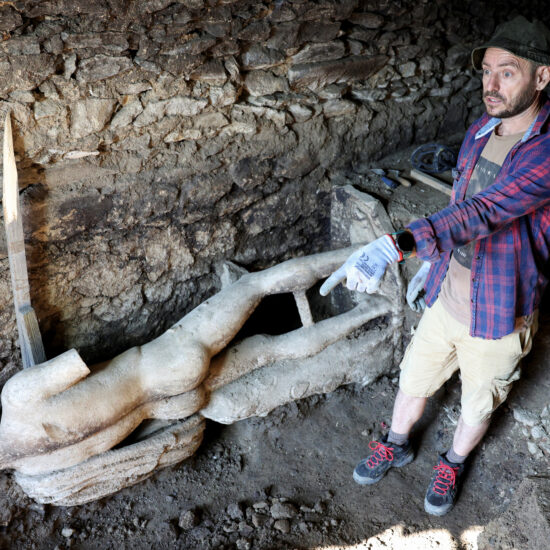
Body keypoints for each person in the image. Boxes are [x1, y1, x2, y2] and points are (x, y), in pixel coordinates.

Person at [320, 15, 550, 516]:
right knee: (413, 378)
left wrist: (395, 245)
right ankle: (396, 442)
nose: (489, 85)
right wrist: (436, 260)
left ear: (541, 77)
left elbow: (488, 211)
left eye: (506, 73)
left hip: (498, 312)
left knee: (476, 404)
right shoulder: (480, 131)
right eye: (486, 71)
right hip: (448, 293)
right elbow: (460, 199)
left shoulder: (547, 151)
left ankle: (452, 461)